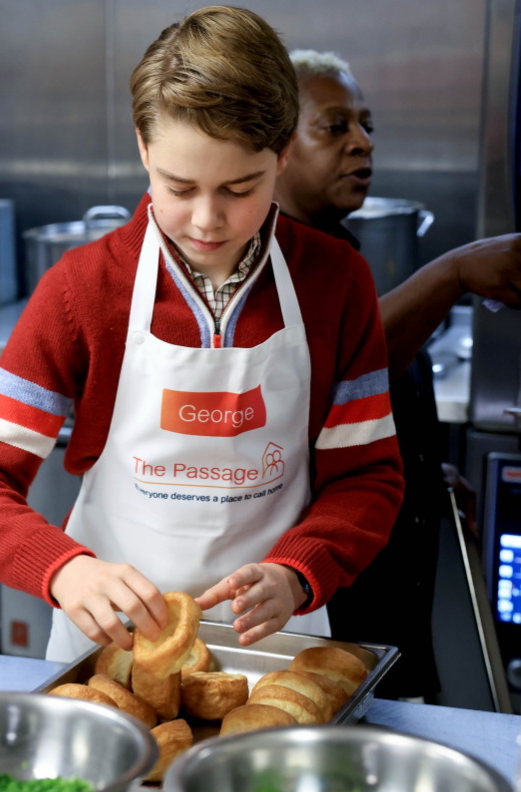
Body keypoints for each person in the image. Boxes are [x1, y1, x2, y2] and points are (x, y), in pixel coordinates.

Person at [0, 8, 404, 664]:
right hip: (110, 648)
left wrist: (298, 572)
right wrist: (65, 570)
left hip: (272, 644)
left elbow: (369, 477)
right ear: (143, 149)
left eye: (240, 188)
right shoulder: (84, 289)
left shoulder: (335, 283)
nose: (207, 221)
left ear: (282, 154)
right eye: (178, 187)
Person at [274, 50, 521, 699]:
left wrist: (416, 470)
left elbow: (360, 411)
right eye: (333, 126)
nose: (361, 143)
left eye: (365, 125)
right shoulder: (260, 263)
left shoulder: (338, 256)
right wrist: (453, 271)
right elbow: (339, 370)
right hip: (320, 606)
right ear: (271, 142)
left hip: (387, 590)